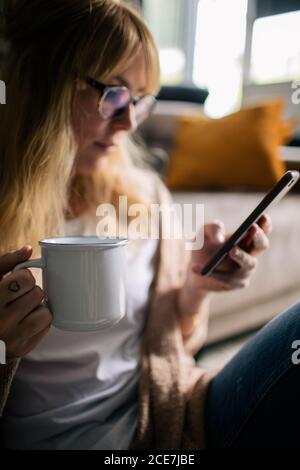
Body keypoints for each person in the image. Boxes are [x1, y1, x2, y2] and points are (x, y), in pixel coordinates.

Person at [0, 0, 299, 450]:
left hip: (169, 415)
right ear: (43, 81)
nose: (130, 120)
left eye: (140, 100)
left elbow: (178, 342)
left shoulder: (144, 197)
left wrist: (198, 287)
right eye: (114, 94)